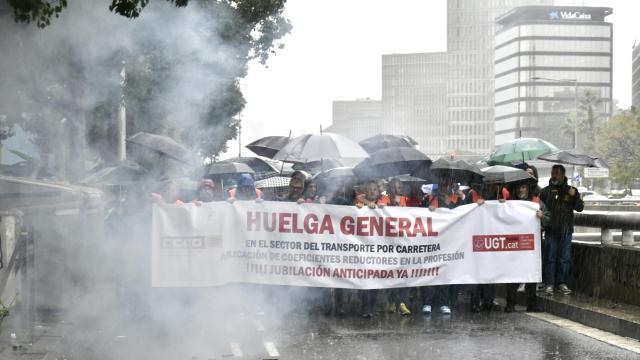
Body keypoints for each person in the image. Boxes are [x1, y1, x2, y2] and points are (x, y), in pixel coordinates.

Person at [420, 176, 465, 315]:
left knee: (445, 272)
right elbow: (419, 213)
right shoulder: (430, 198)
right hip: (432, 241)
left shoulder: (456, 199)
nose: (445, 186)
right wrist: (427, 208)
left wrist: (459, 198)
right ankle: (427, 302)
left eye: (448, 184)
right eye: (443, 183)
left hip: (449, 241)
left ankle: (444, 302)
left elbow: (465, 213)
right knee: (430, 271)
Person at [505, 180, 550, 312]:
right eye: (519, 187)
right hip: (514, 244)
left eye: (523, 187)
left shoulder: (537, 203)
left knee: (532, 274)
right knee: (513, 274)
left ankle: (531, 304)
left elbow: (548, 219)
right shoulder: (509, 204)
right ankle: (510, 304)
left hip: (532, 245)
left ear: (528, 189)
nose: (521, 190)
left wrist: (543, 217)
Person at [540, 164, 584, 296]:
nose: (554, 175)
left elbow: (580, 208)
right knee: (550, 257)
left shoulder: (572, 191)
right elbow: (540, 208)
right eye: (553, 173)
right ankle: (549, 283)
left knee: (564, 258)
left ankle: (561, 283)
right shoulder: (545, 191)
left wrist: (574, 196)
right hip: (551, 230)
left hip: (566, 230)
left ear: (564, 175)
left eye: (557, 173)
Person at [355, 180, 389, 318]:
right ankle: (364, 306)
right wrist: (363, 205)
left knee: (375, 278)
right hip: (362, 247)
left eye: (374, 189)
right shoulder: (358, 203)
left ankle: (373, 306)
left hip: (378, 248)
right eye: (369, 189)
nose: (372, 191)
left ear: (378, 191)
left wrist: (382, 208)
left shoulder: (384, 203)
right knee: (364, 278)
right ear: (365, 190)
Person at [385, 178, 411, 316]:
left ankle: (401, 302)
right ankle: (391, 301)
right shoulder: (383, 200)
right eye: (395, 187)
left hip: (403, 242)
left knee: (403, 273)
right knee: (391, 274)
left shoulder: (405, 200)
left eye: (400, 187)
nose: (398, 190)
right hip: (388, 243)